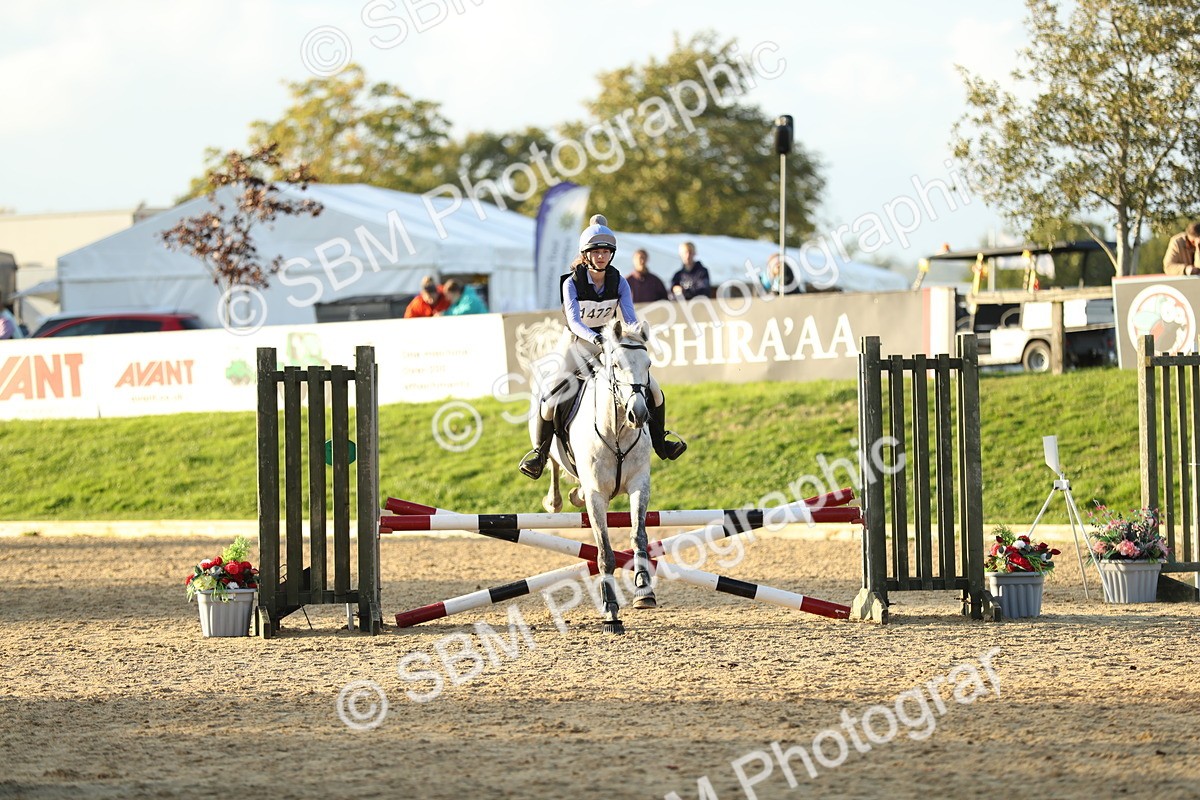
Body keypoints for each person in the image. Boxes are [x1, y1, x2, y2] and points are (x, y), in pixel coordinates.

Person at [519, 214, 687, 479]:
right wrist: (595, 338)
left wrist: (635, 335)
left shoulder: (619, 282)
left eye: (606, 252)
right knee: (551, 396)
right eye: (596, 252)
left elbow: (629, 316)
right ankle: (540, 454)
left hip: (609, 344)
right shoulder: (571, 282)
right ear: (586, 255)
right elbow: (574, 321)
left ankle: (661, 442)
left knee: (653, 390)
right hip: (575, 343)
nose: (601, 256)